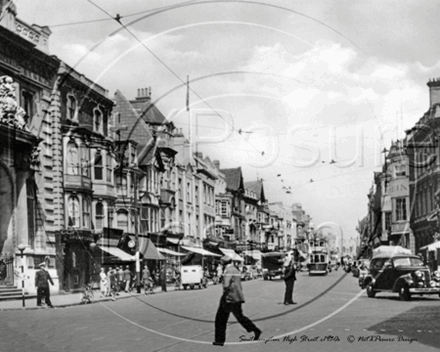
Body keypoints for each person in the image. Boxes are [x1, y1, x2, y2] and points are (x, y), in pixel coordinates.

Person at [213, 255, 261, 346]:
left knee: (220, 319)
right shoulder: (235, 269)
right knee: (240, 317)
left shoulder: (229, 270)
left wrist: (225, 290)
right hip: (237, 296)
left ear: (223, 263)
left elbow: (226, 284)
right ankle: (255, 329)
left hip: (229, 297)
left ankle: (219, 340)